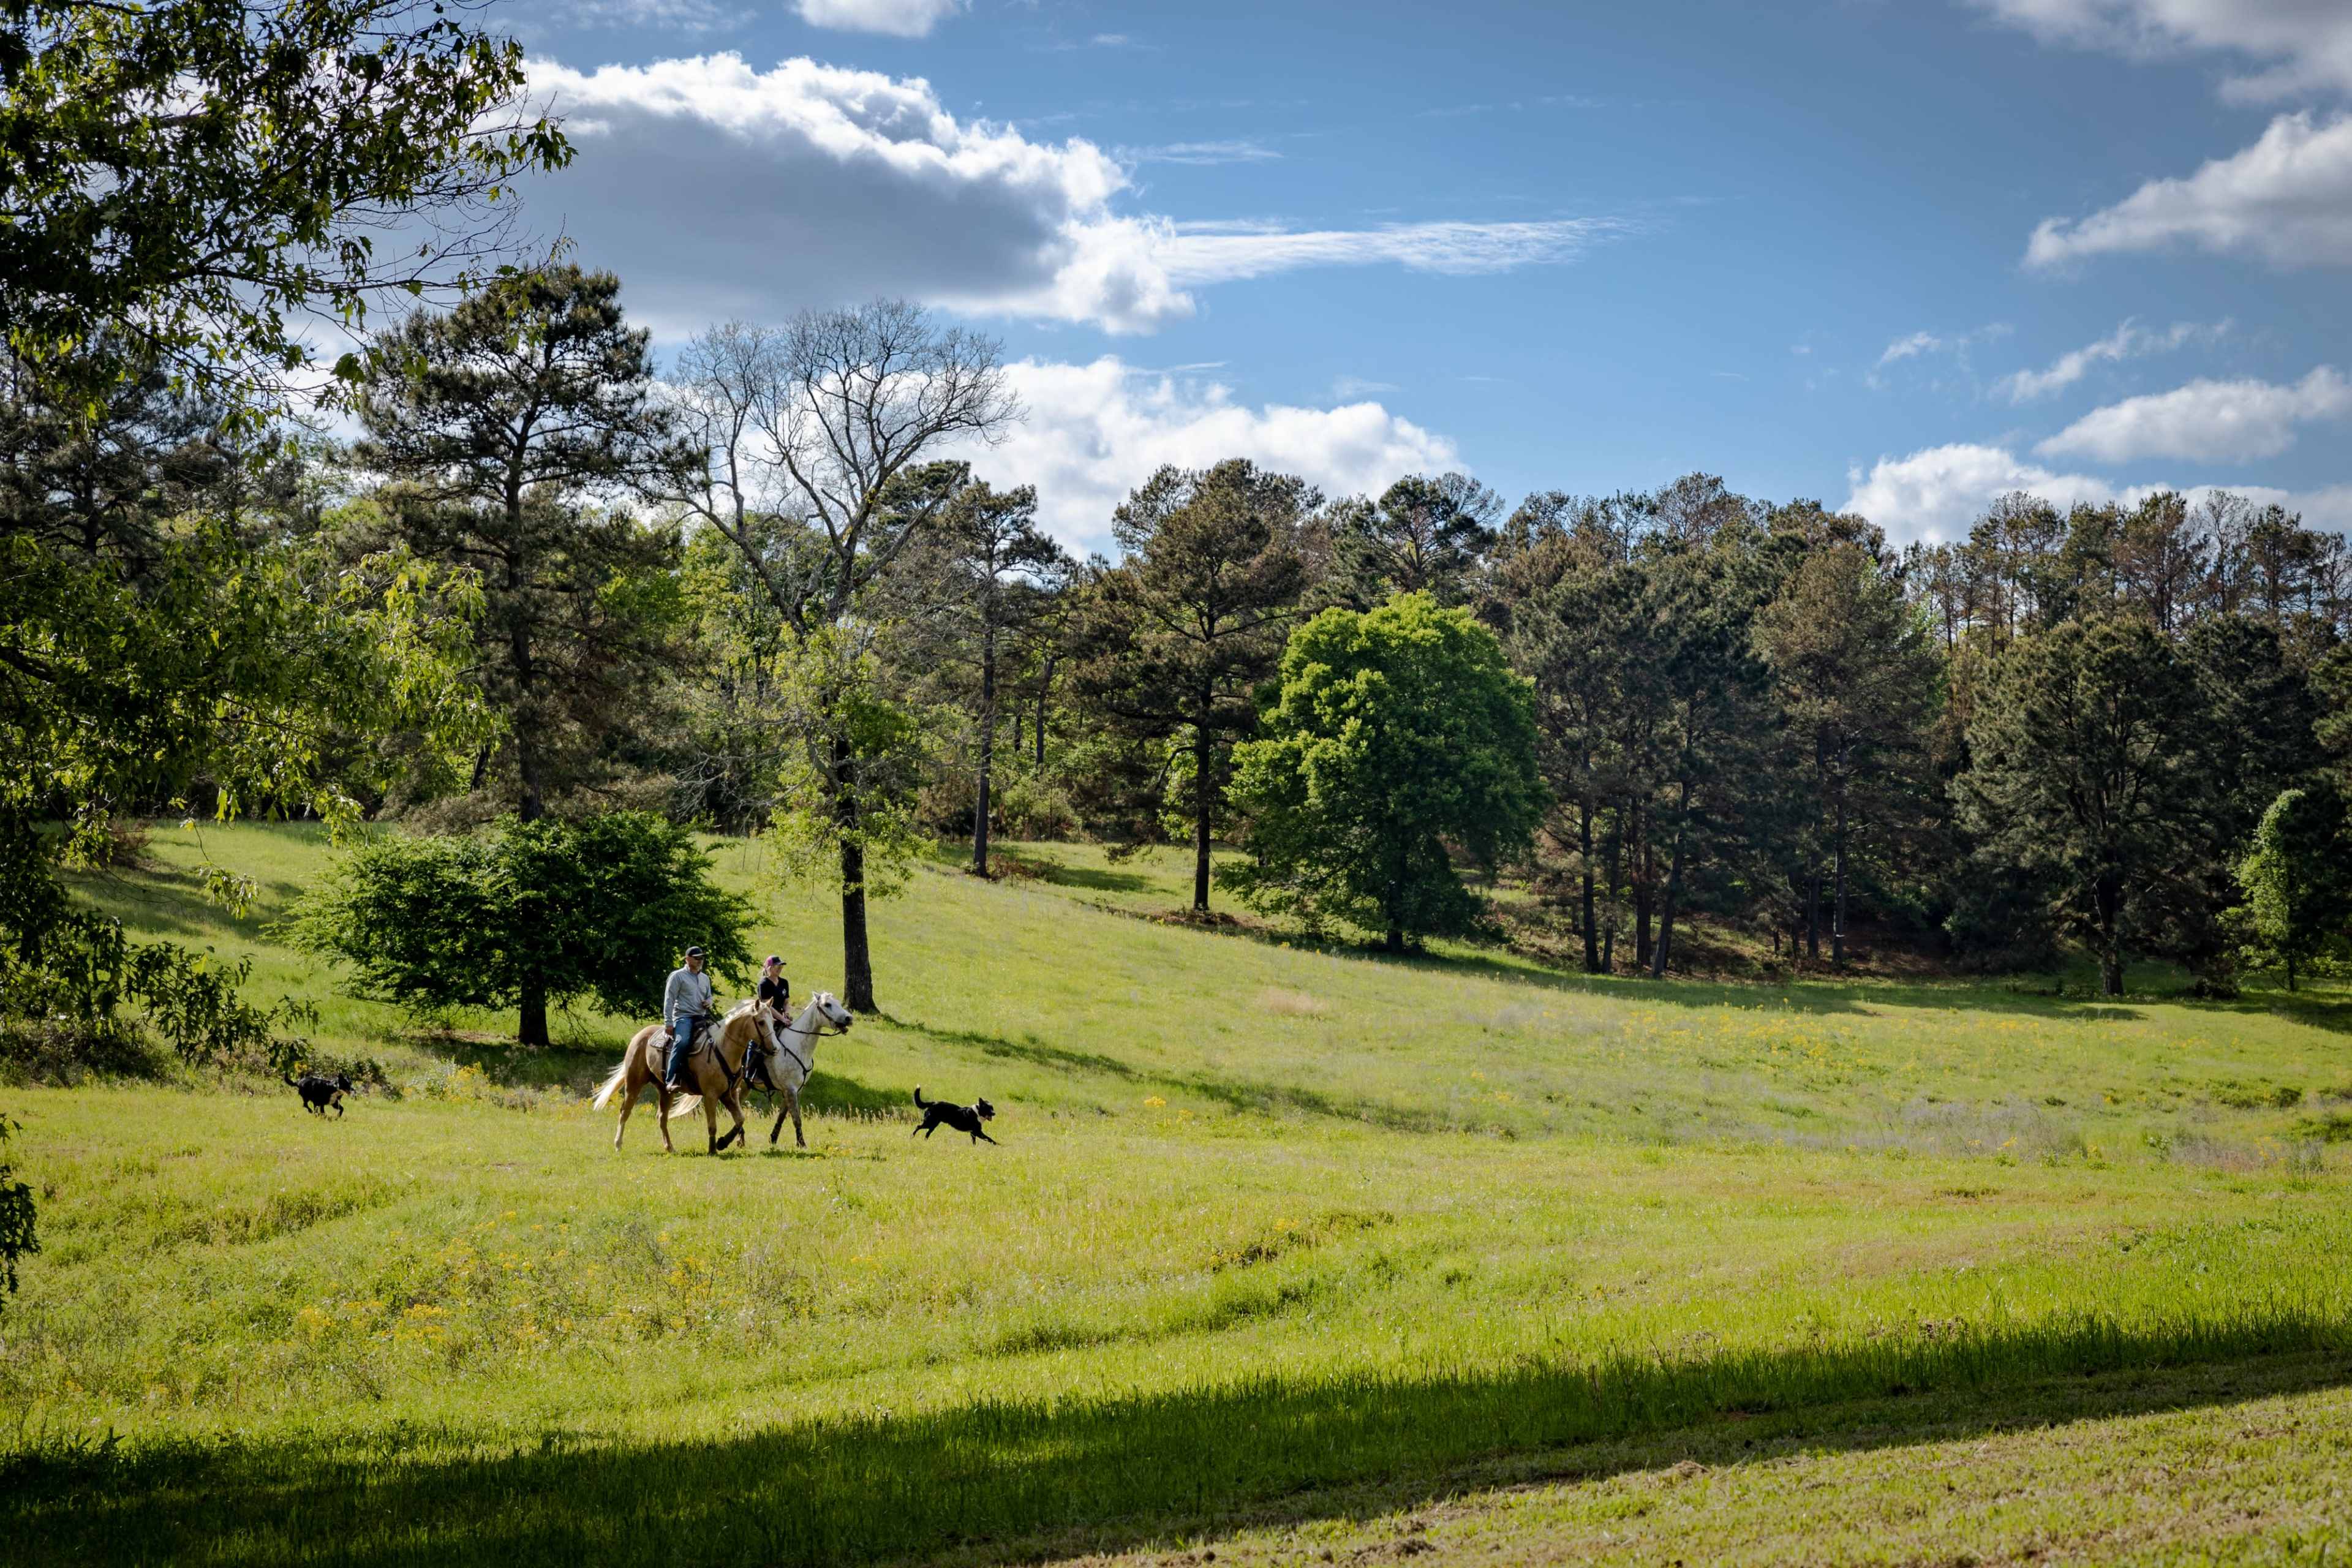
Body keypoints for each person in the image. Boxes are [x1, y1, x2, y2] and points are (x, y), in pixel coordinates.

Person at [662, 946, 714, 1091]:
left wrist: (709, 1002)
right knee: (683, 1042)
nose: (700, 961)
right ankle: (671, 1078)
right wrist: (669, 1022)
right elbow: (669, 1000)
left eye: (702, 958)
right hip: (683, 1017)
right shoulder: (677, 976)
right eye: (697, 958)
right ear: (687, 959)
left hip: (701, 1017)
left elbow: (709, 996)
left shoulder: (705, 978)